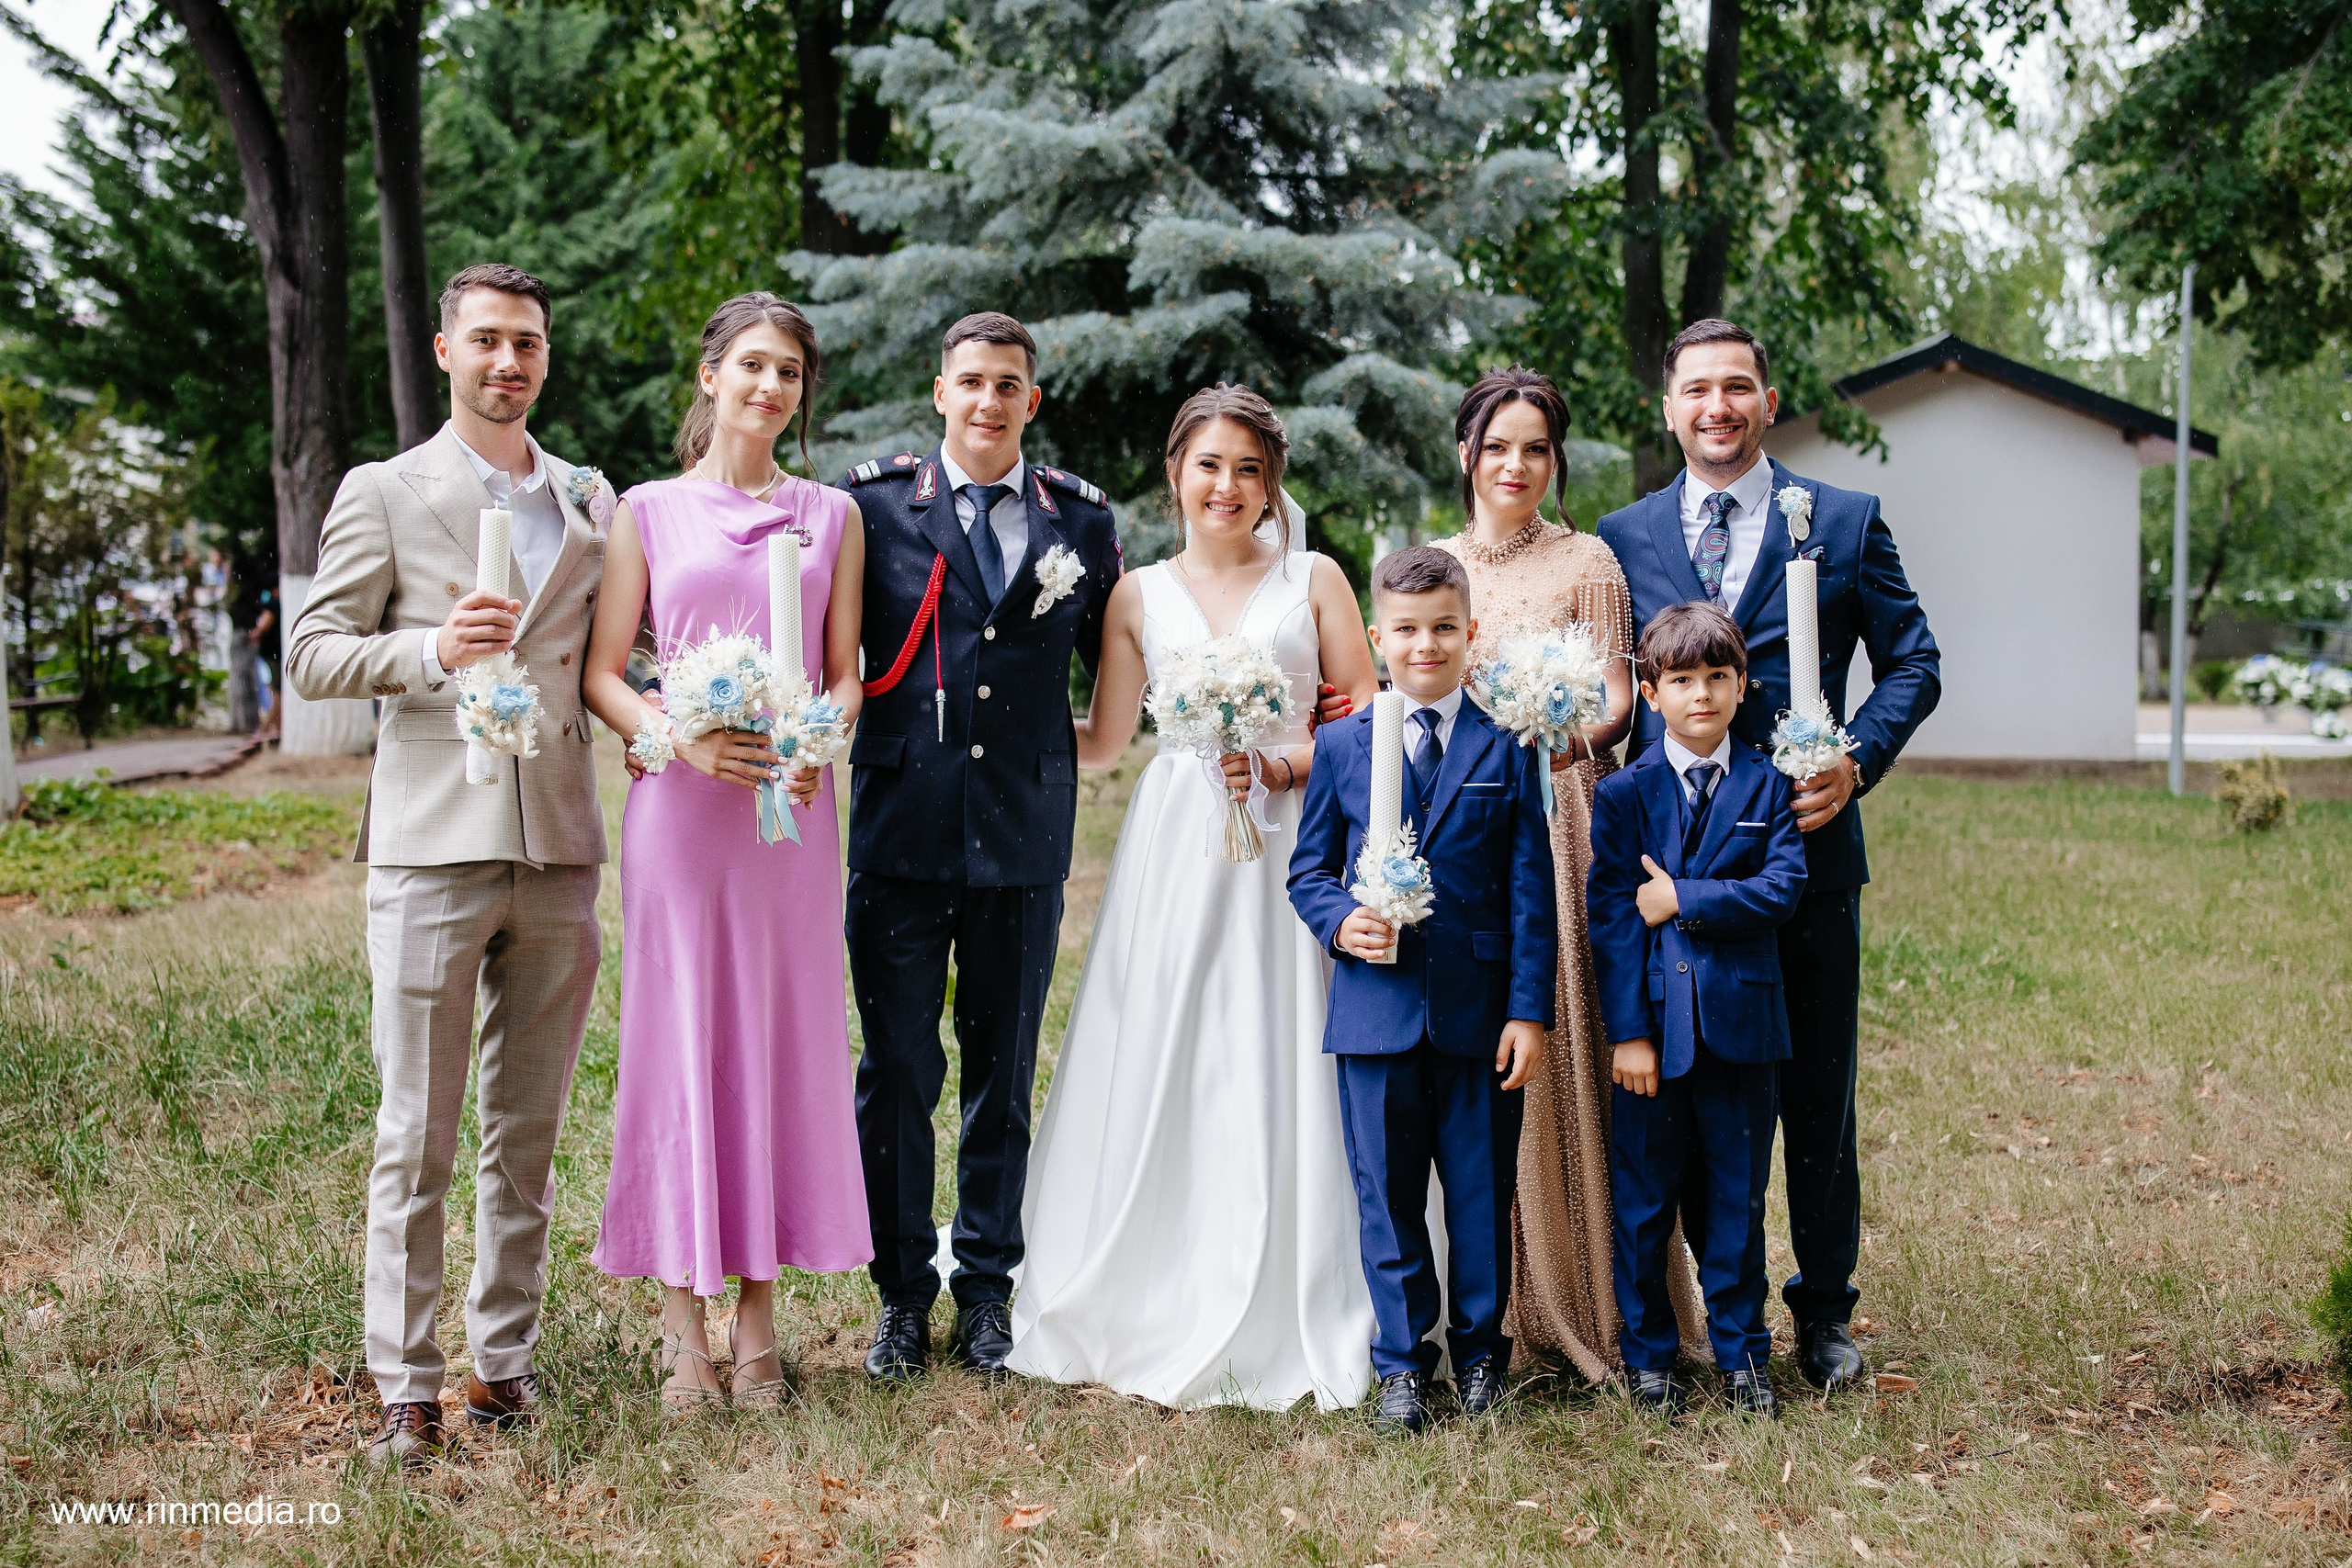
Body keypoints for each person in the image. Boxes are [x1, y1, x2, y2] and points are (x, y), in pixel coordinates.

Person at [286, 264, 616, 1468]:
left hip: (561, 847)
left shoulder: (588, 497)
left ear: (544, 353)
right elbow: (315, 655)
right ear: (443, 349)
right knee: (416, 1132)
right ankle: (404, 1386)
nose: (508, 362)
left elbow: (608, 652)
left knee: (524, 1133)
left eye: (526, 342)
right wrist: (429, 648)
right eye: (486, 340)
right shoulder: (384, 489)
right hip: (430, 846)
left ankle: (504, 1365)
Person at [1007, 385, 1383, 1410]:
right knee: (1166, 1033)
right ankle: (1147, 1269)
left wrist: (1283, 764)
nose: (1227, 486)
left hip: (1290, 842)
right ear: (1175, 470)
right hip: (1176, 845)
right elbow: (1100, 740)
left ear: (1272, 485)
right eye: (1208, 465)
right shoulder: (1134, 598)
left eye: (1248, 469)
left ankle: (1306, 1280)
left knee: (1284, 1034)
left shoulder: (1315, 580)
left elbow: (1367, 722)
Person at [1596, 318, 1939, 1391]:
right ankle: (1701, 1318)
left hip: (1804, 859)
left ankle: (1824, 1313)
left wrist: (1853, 761)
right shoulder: (1622, 534)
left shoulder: (1839, 519)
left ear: (1769, 400)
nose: (1717, 406)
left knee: (1814, 1097)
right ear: (1668, 405)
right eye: (1695, 387)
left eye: (1737, 386)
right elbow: (1613, 687)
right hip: (1670, 874)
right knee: (1691, 1094)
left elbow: (1915, 661)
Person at [582, 293, 871, 1406]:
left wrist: (821, 736)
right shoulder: (646, 511)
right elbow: (608, 670)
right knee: (682, 1042)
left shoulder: (831, 517)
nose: (770, 386)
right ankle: (679, 1326)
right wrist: (675, 742)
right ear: (710, 376)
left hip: (790, 821)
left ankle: (758, 1323)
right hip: (681, 814)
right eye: (752, 364)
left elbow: (844, 668)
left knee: (774, 1047)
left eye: (789, 372)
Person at [839, 313, 1125, 1382]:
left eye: (1009, 384)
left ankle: (988, 1293)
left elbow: (1117, 670)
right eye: (971, 382)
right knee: (898, 1070)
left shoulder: (1083, 525)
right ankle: (903, 1296)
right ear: (940, 390)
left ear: (1031, 401)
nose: (989, 401)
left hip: (1022, 833)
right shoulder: (875, 507)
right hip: (902, 827)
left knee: (1002, 1074)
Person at [1431, 367, 1707, 1382]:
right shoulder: (1433, 567)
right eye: (1497, 445)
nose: (1515, 465)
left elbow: (1617, 704)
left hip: (1558, 816)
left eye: (1535, 448)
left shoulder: (1585, 561)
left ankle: (1586, 1296)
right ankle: (1477, 1308)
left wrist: (1542, 739)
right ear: (1466, 451)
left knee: (1561, 1030)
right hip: (1460, 834)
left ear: (1555, 460)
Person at [1287, 546, 1556, 1436]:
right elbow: (1308, 872)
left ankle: (1481, 1356)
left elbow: (1530, 890)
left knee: (1478, 1195)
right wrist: (1339, 922)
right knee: (1388, 1196)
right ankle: (1403, 1363)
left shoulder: (1508, 747)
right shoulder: (1340, 745)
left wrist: (1528, 1012)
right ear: (1378, 636)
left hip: (1479, 1017)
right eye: (1406, 630)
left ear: (1470, 633)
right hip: (1374, 1013)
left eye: (1444, 627)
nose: (1426, 645)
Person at [1589, 603, 1807, 1416]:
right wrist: (1631, 1035)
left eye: (1718, 677)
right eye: (1682, 680)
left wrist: (1683, 893)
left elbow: (1782, 888)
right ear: (1651, 693)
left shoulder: (1767, 782)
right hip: (1653, 1040)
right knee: (1645, 1204)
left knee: (1735, 1203)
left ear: (1743, 684)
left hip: (1745, 1035)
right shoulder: (1625, 794)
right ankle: (1648, 1358)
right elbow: (1611, 920)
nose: (1702, 695)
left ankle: (1743, 1352)